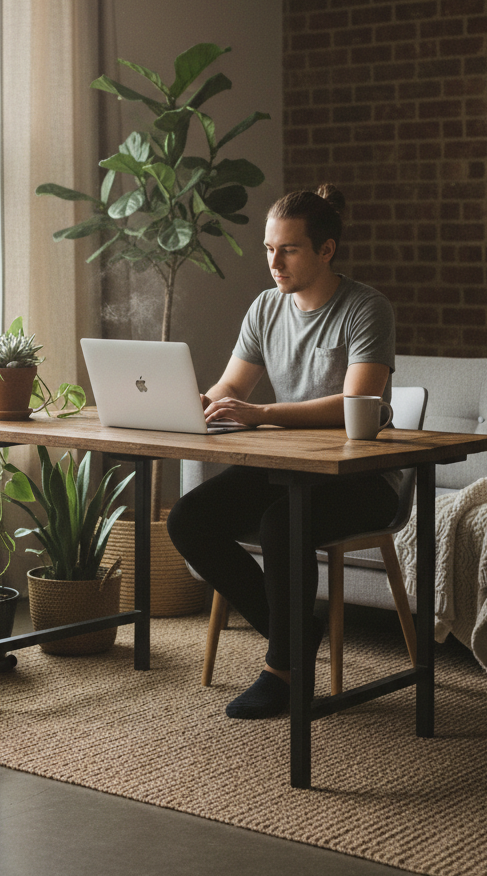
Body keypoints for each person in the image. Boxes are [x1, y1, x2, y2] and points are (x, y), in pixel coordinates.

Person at [167, 184, 400, 719]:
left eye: (288, 249)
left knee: (282, 522)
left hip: (362, 479)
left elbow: (356, 401)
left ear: (326, 250)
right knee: (189, 519)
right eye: (269, 248)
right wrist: (195, 403)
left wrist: (263, 414)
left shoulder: (366, 308)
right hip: (286, 468)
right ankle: (296, 635)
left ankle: (284, 670)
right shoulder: (266, 308)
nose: (273, 261)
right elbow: (233, 388)